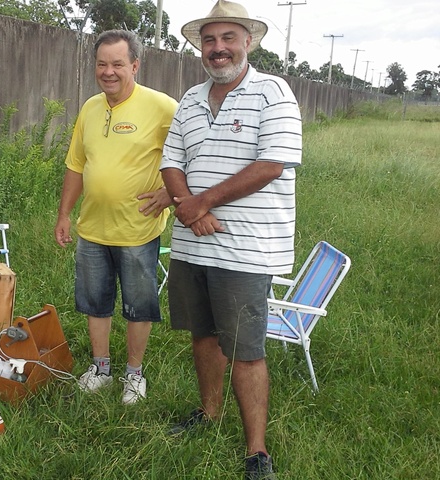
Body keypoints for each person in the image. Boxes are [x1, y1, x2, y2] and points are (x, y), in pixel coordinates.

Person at [160, 1, 302, 478]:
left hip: (245, 248)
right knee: (203, 335)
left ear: (248, 42)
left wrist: (201, 203)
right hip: (192, 244)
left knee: (246, 347)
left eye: (227, 38)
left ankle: (256, 449)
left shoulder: (273, 93)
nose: (217, 48)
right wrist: (187, 204)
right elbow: (171, 161)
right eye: (209, 40)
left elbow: (271, 165)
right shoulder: (191, 98)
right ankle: (209, 412)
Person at [55, 30, 178, 405]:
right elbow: (76, 166)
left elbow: (192, 155)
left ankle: (134, 375)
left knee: (139, 305)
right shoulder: (90, 108)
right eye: (102, 64)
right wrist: (64, 214)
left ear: (135, 66)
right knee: (95, 301)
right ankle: (101, 368)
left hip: (138, 228)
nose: (108, 72)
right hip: (92, 228)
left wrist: (171, 195)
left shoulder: (162, 107)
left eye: (118, 64)